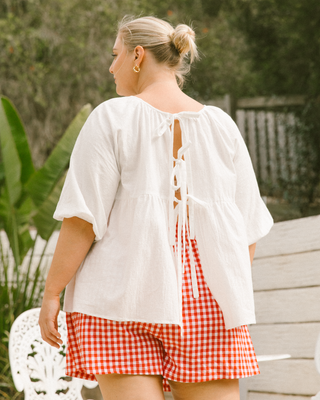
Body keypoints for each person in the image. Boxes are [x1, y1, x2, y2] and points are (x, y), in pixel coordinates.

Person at [39, 15, 274, 400]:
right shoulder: (223, 127)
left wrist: (52, 294)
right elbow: (246, 233)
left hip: (120, 300)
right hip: (207, 302)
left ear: (137, 55)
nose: (111, 66)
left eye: (115, 55)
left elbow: (83, 220)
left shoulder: (112, 117)